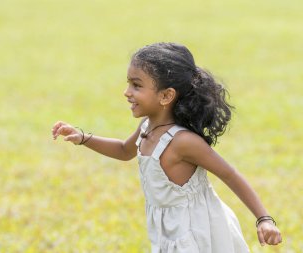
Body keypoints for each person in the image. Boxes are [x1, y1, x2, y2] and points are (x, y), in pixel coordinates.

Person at [51, 42, 282, 252]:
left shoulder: (183, 142)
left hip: (197, 232)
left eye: (136, 85)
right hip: (168, 231)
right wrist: (83, 138)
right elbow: (124, 150)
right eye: (128, 83)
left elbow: (229, 174)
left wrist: (264, 219)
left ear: (166, 96)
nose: (127, 92)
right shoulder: (147, 127)